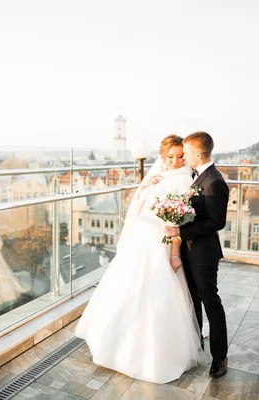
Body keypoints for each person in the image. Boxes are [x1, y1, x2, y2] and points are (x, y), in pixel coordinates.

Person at [75, 134, 203, 384]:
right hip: (143, 238)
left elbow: (179, 221)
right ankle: (117, 342)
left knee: (158, 293)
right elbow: (137, 209)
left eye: (180, 156)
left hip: (162, 242)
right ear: (162, 156)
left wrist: (175, 253)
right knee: (130, 288)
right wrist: (144, 187)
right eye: (171, 156)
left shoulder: (187, 179)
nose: (176, 161)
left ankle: (152, 355)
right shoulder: (158, 175)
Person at [165, 131, 229, 379]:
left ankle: (219, 356)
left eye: (187, 153)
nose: (185, 157)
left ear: (198, 154)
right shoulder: (197, 176)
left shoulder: (214, 182)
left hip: (203, 253)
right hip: (188, 249)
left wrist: (181, 229)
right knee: (193, 299)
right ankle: (197, 346)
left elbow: (216, 222)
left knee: (210, 300)